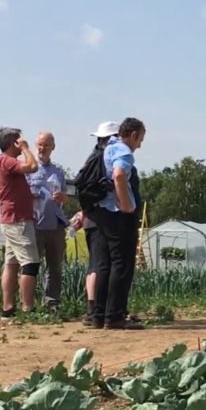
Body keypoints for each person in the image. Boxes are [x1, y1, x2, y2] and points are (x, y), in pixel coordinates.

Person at [92, 117, 146, 330]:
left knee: (104, 264)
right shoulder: (123, 150)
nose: (140, 144)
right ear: (133, 135)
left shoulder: (108, 147)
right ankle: (114, 316)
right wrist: (126, 205)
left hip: (102, 213)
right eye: (140, 139)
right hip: (117, 215)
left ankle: (99, 314)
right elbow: (119, 174)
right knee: (121, 264)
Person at [73, 121, 119, 325]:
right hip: (101, 216)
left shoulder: (92, 157)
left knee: (95, 265)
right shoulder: (107, 158)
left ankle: (93, 310)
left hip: (90, 215)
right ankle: (96, 311)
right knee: (102, 266)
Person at [0, 127, 39, 318]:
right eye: (18, 140)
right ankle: (27, 308)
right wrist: (27, 149)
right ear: (12, 143)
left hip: (11, 218)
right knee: (30, 262)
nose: (21, 142)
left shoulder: (3, 162)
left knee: (11, 263)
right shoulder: (7, 161)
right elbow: (32, 166)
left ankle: (8, 308)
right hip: (17, 220)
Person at [25, 132, 68, 311]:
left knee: (54, 266)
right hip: (36, 224)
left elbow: (66, 198)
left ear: (53, 147)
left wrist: (62, 197)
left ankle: (52, 302)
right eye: (40, 145)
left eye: (46, 145)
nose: (42, 149)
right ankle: (28, 303)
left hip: (55, 225)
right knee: (31, 266)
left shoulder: (58, 171)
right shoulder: (29, 169)